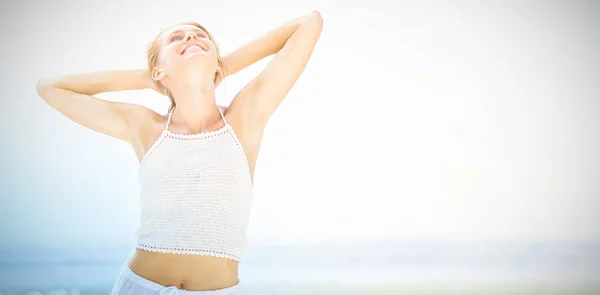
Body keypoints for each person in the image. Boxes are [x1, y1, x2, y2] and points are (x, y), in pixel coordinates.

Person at [36, 10, 323, 295]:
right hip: (141, 287)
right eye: (177, 39)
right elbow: (49, 88)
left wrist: (222, 65)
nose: (191, 37)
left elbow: (309, 23)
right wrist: (147, 78)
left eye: (201, 37)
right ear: (159, 70)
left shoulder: (244, 118)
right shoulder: (146, 127)